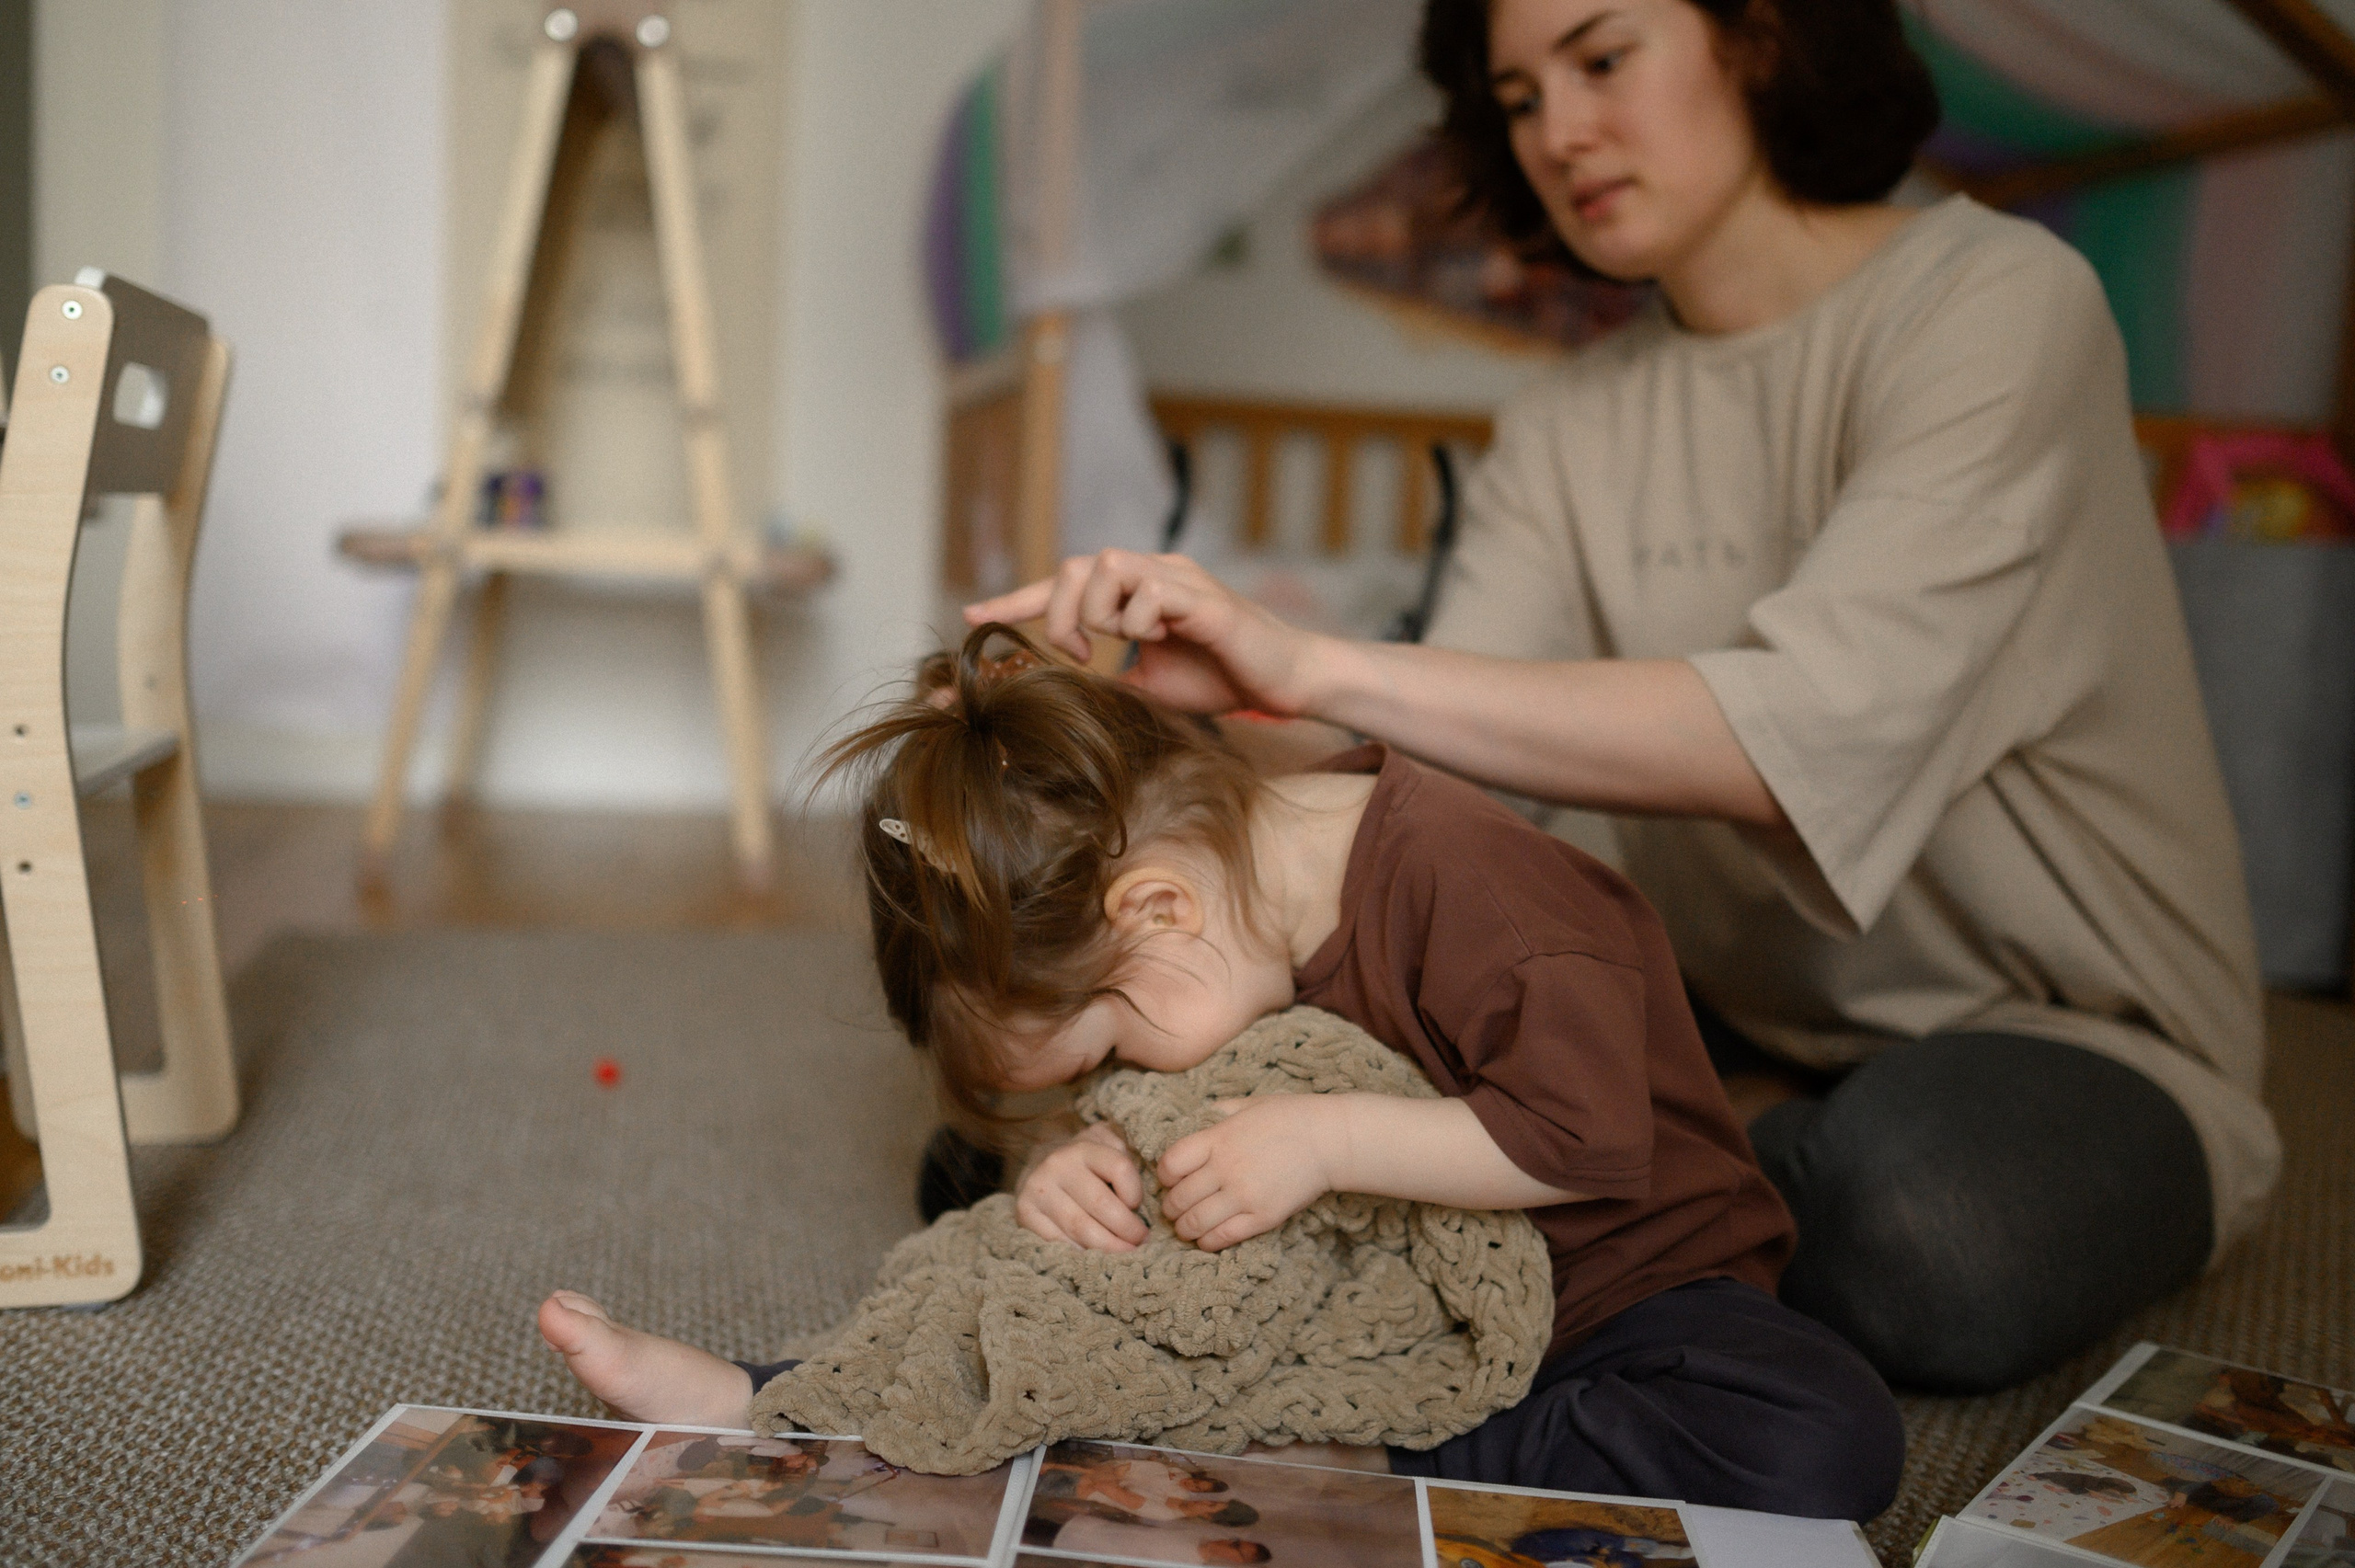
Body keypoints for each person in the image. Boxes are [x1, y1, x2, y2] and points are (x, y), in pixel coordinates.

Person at [955, 0, 2279, 1395]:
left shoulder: (2003, 304)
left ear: (1763, 35)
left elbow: (1795, 738)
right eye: (1521, 99)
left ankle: (1667, 1157)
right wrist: (1175, 763)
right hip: (1725, 1000)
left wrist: (1314, 659)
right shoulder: (1562, 425)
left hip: (2070, 1029)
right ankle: (1659, 1146)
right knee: (1113, 1127)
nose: (1560, 135)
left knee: (1912, 1237)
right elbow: (1432, 804)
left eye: (1601, 60)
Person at [539, 623, 1902, 1517]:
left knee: (1821, 1434)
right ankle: (772, 1390)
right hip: (1356, 1295)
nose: (1122, 1071)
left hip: (1624, 1299)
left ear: (1158, 915)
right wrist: (1071, 1152)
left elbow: (1578, 1141)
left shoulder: (1481, 886)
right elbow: (1140, 1114)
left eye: (1113, 1043)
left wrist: (1322, 1141)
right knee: (1038, 1264)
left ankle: (1371, 1459)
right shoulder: (1209, 935)